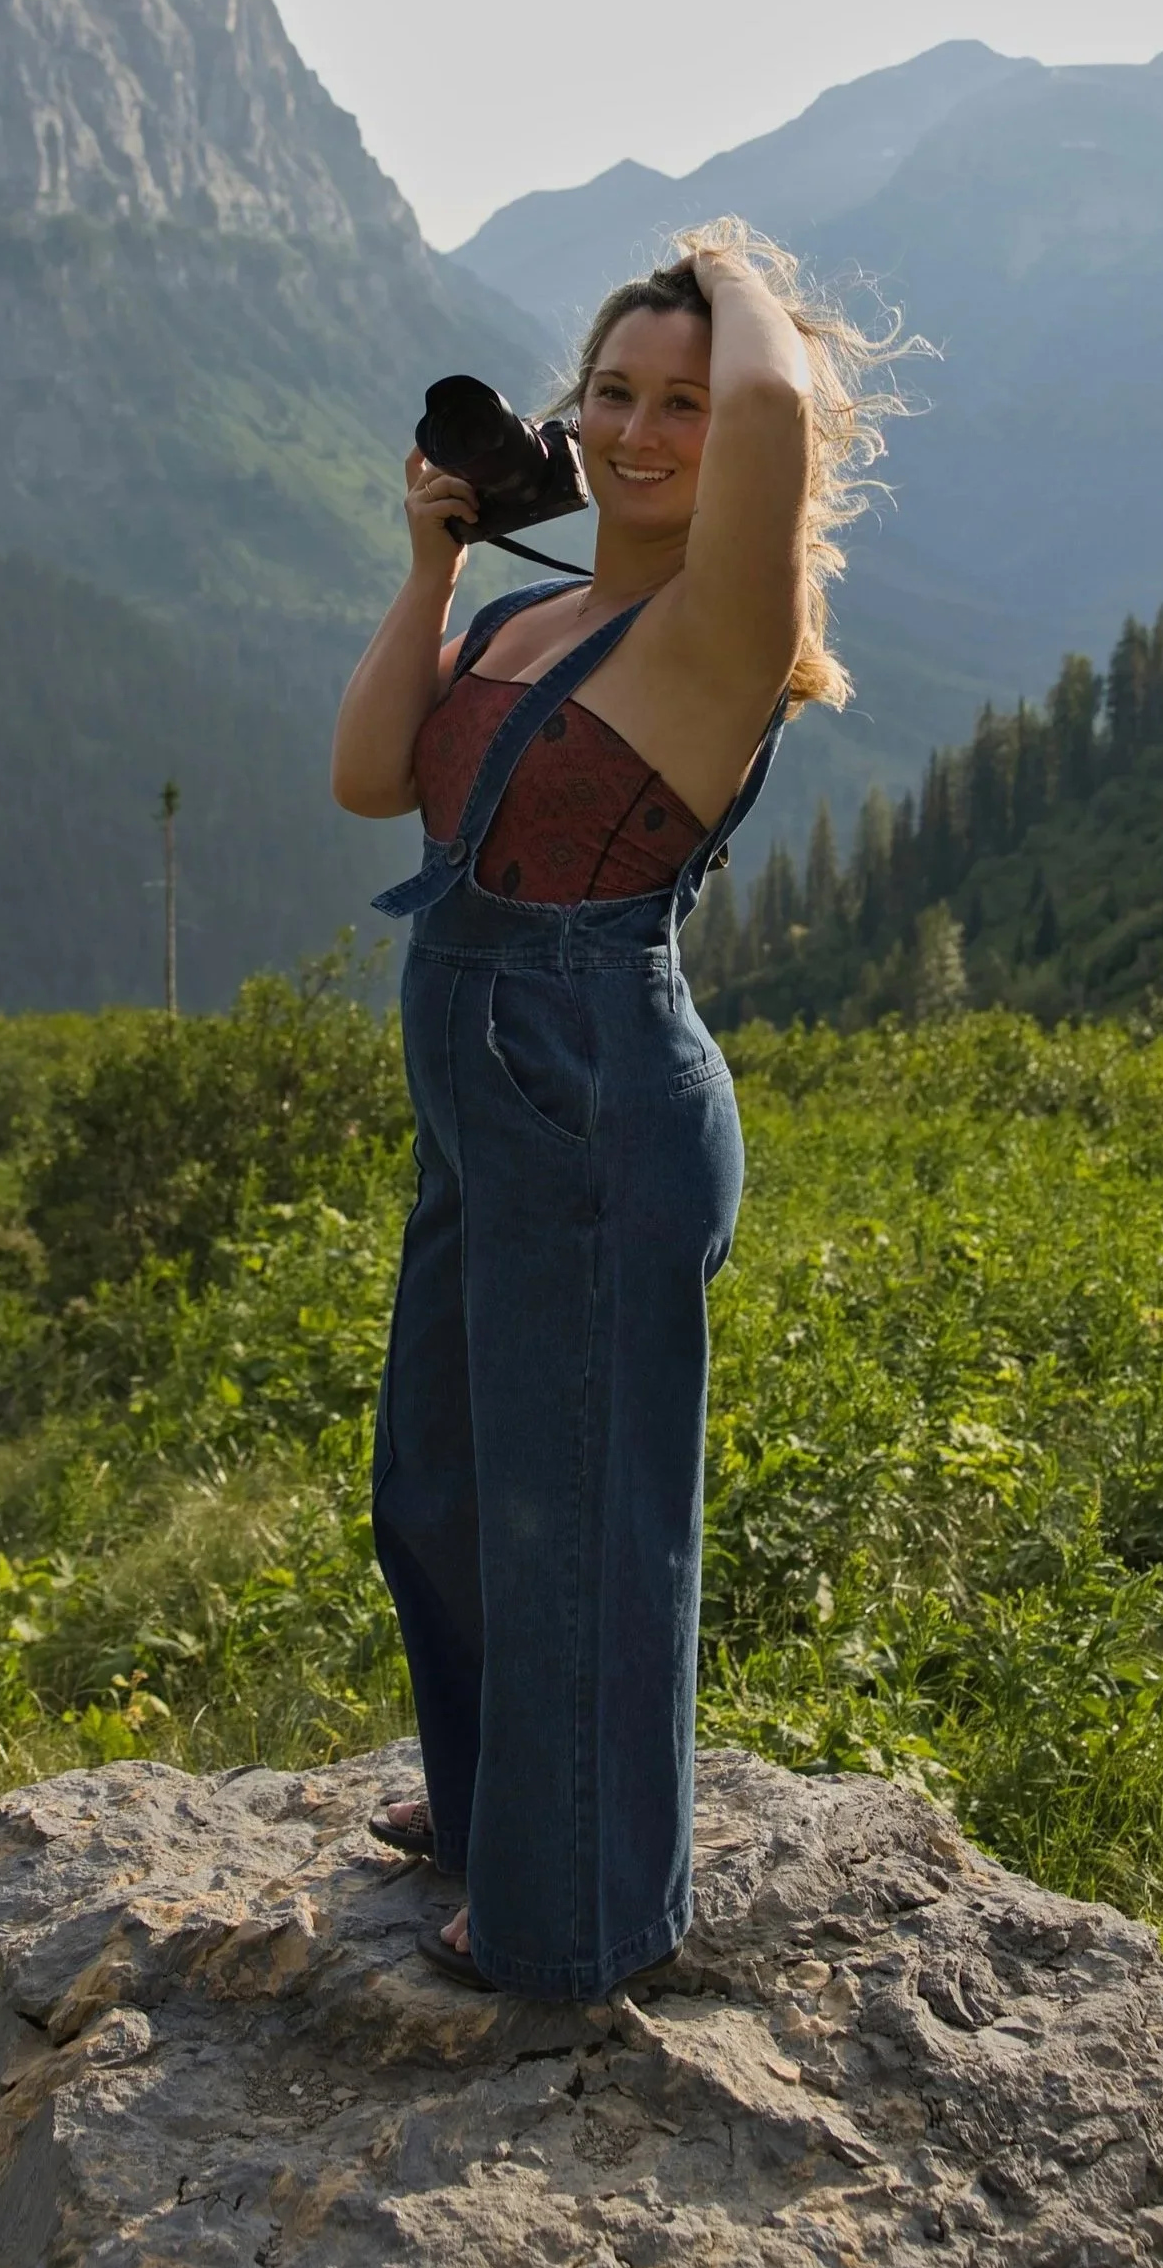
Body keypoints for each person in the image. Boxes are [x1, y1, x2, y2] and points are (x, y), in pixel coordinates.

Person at [330, 219, 902, 1998]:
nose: (648, 431)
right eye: (612, 395)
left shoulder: (730, 622)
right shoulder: (525, 603)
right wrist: (426, 565)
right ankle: (505, 1793)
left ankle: (572, 1905)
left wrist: (728, 267)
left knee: (578, 1506)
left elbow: (771, 403)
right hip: (487, 1083)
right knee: (442, 1481)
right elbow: (367, 780)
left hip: (590, 1084)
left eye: (684, 404)